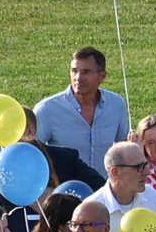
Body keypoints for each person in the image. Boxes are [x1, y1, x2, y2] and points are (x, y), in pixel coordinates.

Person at [33, 46, 129, 176]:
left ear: (102, 76)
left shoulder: (116, 104)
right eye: (74, 71)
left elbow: (122, 146)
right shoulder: (47, 110)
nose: (78, 78)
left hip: (103, 190)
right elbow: (33, 153)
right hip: (66, 191)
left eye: (86, 72)